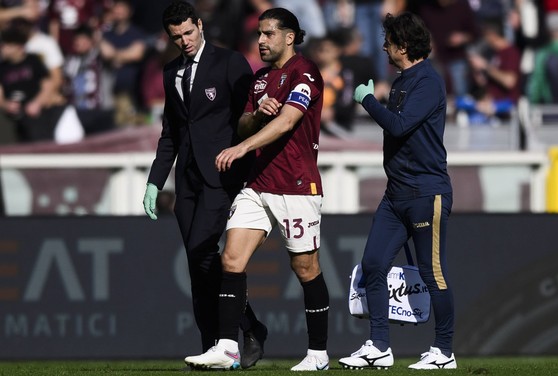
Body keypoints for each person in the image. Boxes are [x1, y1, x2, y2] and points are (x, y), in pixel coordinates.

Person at [183, 7, 330, 371]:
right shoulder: (261, 78)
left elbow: (289, 121)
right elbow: (246, 123)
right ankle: (228, 346)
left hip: (297, 186)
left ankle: (318, 353)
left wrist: (241, 148)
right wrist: (256, 115)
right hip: (260, 184)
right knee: (231, 259)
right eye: (259, 34)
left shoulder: (305, 72)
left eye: (268, 34)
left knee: (305, 267)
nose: (260, 40)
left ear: (289, 37)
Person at [142, 1, 267, 369]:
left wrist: (246, 162)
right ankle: (216, 345)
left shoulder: (229, 63)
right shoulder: (170, 72)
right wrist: (155, 181)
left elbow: (249, 118)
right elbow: (172, 132)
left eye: (188, 31)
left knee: (201, 252)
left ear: (200, 25)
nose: (184, 40)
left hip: (223, 177)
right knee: (199, 267)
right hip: (188, 181)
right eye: (176, 36)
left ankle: (245, 329)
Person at [338, 12, 456, 370]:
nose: (384, 46)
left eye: (389, 41)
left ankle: (444, 351)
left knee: (431, 273)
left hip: (426, 192)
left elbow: (400, 126)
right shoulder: (404, 80)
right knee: (373, 264)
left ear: (403, 46)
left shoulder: (428, 82)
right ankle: (379, 345)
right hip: (396, 194)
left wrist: (368, 100)